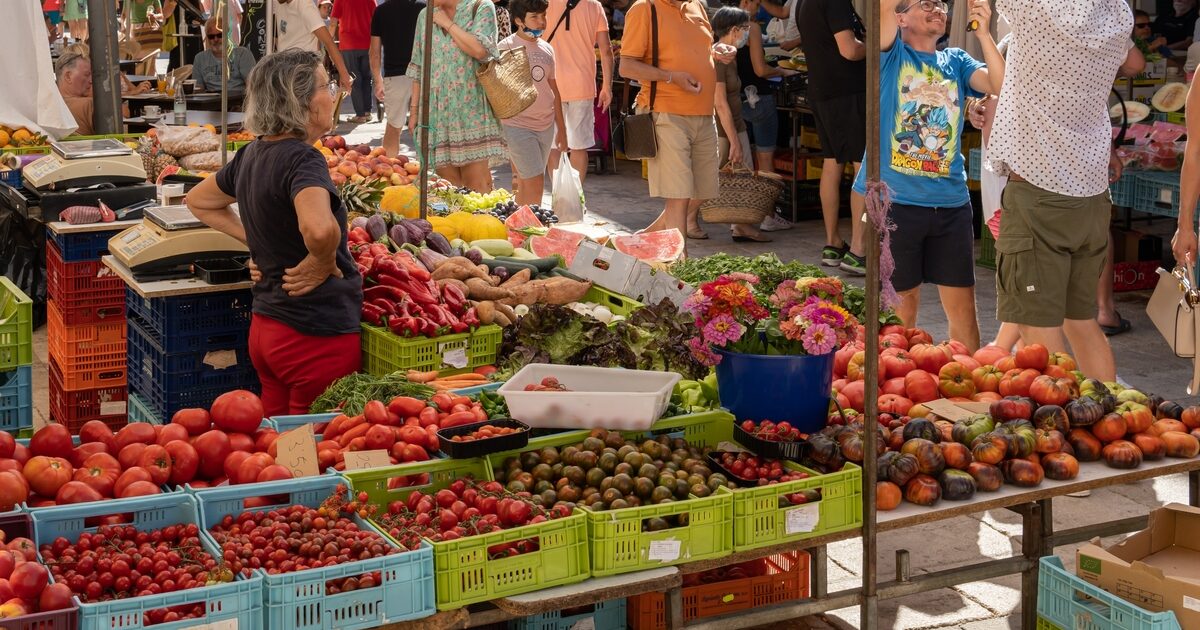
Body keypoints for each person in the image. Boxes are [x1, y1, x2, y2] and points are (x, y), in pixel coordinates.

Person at [186, 50, 362, 417]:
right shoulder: (304, 159)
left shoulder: (253, 153)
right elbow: (317, 228)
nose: (331, 94)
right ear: (303, 102)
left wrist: (257, 241)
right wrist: (322, 259)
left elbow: (199, 201)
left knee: (277, 449)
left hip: (268, 331)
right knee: (309, 452)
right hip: (313, 336)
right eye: (325, 86)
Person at [986, 0, 1134, 383]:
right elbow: (1132, 63)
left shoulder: (1034, 11)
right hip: (1090, 194)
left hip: (1039, 192)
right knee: (1082, 320)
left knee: (1041, 339)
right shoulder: (1116, 14)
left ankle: (1070, 432)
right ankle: (1109, 411)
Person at [854, 0, 1004, 352]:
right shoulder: (891, 56)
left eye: (940, 3)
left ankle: (966, 393)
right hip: (898, 206)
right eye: (925, 3)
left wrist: (983, 33)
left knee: (964, 312)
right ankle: (897, 392)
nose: (937, 7)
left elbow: (1001, 83)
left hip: (952, 205)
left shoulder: (957, 61)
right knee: (901, 314)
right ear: (901, 17)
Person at [619, 0, 738, 254]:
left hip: (704, 114)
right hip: (666, 111)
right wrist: (671, 77)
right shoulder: (644, 8)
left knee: (701, 189)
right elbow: (627, 65)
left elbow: (700, 49)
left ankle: (651, 236)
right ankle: (679, 266)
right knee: (679, 194)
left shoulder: (697, 6)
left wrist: (717, 51)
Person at [798, 0, 868, 274]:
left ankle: (833, 243)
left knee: (832, 162)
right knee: (862, 165)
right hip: (847, 91)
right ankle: (859, 250)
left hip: (822, 90)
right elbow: (849, 50)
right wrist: (875, 46)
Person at [408, 0, 507, 191]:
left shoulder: (482, 7)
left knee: (476, 186)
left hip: (472, 111)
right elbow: (418, 67)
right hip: (436, 113)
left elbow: (480, 50)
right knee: (446, 188)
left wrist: (447, 24)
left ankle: (483, 221)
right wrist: (414, 112)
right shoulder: (425, 15)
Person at [499, 0, 569, 205]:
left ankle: (519, 227)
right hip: (517, 125)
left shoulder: (548, 49)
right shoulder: (505, 48)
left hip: (545, 125)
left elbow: (553, 91)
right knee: (535, 181)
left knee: (525, 181)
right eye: (535, 17)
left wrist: (562, 130)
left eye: (543, 16)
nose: (542, 22)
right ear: (519, 20)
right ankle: (534, 227)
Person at [711, 7, 768, 242]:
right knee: (709, 180)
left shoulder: (730, 56)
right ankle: (685, 219)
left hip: (735, 124)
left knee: (740, 176)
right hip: (726, 127)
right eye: (745, 29)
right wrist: (734, 138)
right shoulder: (719, 60)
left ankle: (741, 224)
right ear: (734, 30)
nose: (748, 33)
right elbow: (720, 103)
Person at [542, 0, 613, 186]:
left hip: (550, 83)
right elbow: (606, 50)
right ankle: (576, 196)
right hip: (581, 84)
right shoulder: (594, 6)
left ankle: (559, 195)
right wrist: (607, 86)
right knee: (579, 145)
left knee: (553, 146)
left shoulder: (545, 3)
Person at [371, 0, 425, 157]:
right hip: (422, 74)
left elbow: (374, 52)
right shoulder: (423, 9)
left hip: (394, 76)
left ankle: (389, 167)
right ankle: (429, 172)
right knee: (426, 126)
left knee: (394, 126)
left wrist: (378, 80)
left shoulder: (381, 11)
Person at [273, 0, 353, 94]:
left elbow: (328, 42)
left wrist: (344, 74)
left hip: (303, 75)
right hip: (285, 74)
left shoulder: (305, 5)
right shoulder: (277, 3)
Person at [330, 0, 377, 123]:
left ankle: (360, 115)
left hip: (349, 44)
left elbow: (333, 22)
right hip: (367, 43)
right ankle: (367, 112)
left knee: (354, 78)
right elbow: (376, 19)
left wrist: (329, 41)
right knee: (367, 78)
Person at [193, 17, 258, 92]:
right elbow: (198, 87)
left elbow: (252, 85)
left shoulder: (242, 54)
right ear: (207, 38)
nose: (216, 39)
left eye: (220, 35)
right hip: (210, 102)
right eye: (211, 36)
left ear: (227, 34)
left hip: (238, 100)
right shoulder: (200, 58)